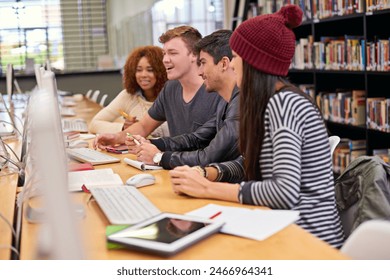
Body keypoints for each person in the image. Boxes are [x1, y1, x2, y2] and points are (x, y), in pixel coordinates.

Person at [169, 5, 345, 248]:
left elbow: (284, 192)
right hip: (281, 226)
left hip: (307, 240)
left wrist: (208, 189)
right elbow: (247, 162)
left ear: (255, 62)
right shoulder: (272, 102)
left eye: (237, 57)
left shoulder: (284, 105)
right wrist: (209, 173)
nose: (231, 65)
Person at [93, 26, 222, 150]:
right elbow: (143, 127)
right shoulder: (170, 88)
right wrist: (115, 138)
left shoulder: (217, 91)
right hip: (173, 166)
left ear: (194, 55)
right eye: (164, 53)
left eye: (172, 53)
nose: (165, 60)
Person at [127, 29, 240, 169]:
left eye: (203, 62)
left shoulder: (240, 102)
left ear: (224, 63)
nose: (200, 71)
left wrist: (159, 157)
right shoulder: (227, 101)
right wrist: (152, 144)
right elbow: (196, 138)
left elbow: (209, 156)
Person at [88, 46, 169, 137]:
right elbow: (94, 124)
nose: (143, 75)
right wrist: (123, 128)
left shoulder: (171, 96)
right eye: (138, 70)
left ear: (162, 72)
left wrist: (138, 129)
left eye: (150, 70)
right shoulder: (128, 96)